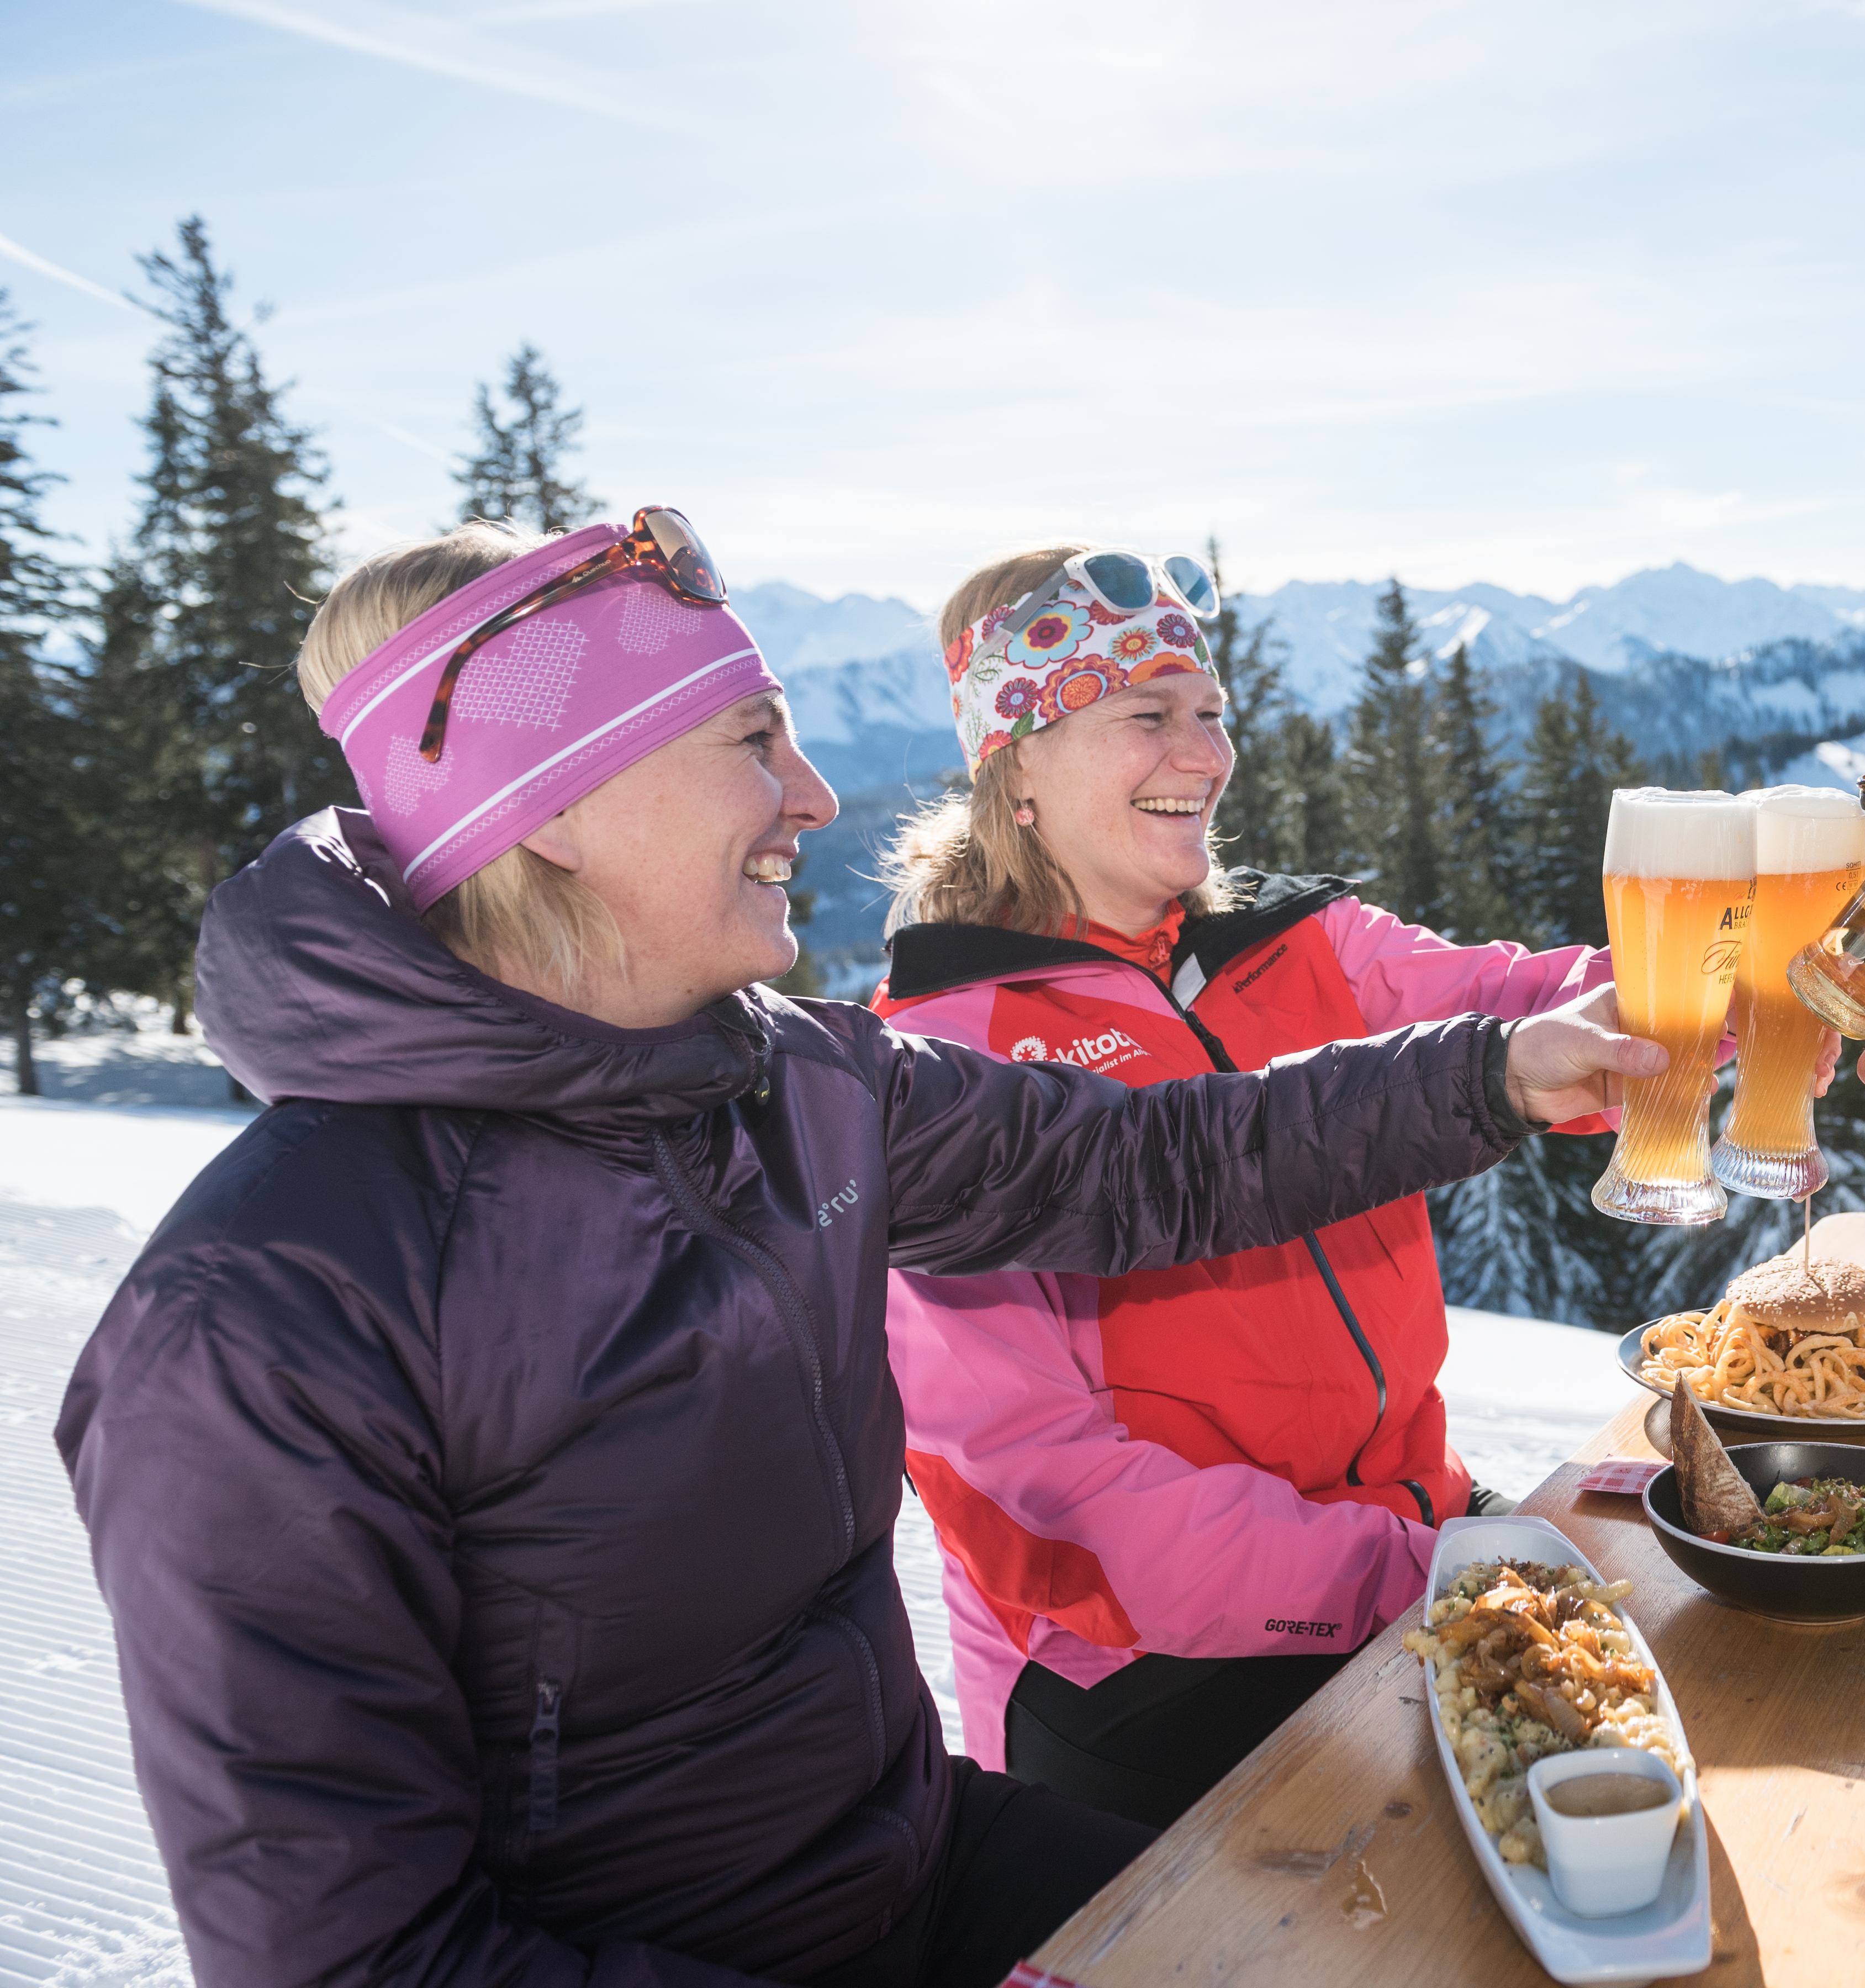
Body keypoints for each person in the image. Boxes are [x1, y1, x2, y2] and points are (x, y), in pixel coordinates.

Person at [55, 516, 1653, 1988]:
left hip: (913, 1868)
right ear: (553, 819)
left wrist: (1498, 1072)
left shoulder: (798, 1084)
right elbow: (357, 1961)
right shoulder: (267, 1320)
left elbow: (1154, 1162)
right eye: (755, 743)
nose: (816, 796)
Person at [869, 543, 1615, 1823]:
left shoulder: (1296, 944)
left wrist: (1757, 971)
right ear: (1020, 766)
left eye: (1209, 712)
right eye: (1145, 716)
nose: (1206, 754)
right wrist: (1407, 1569)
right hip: (1141, 1665)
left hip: (1410, 1533)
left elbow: (1538, 1002)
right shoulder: (946, 1059)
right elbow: (1039, 1494)